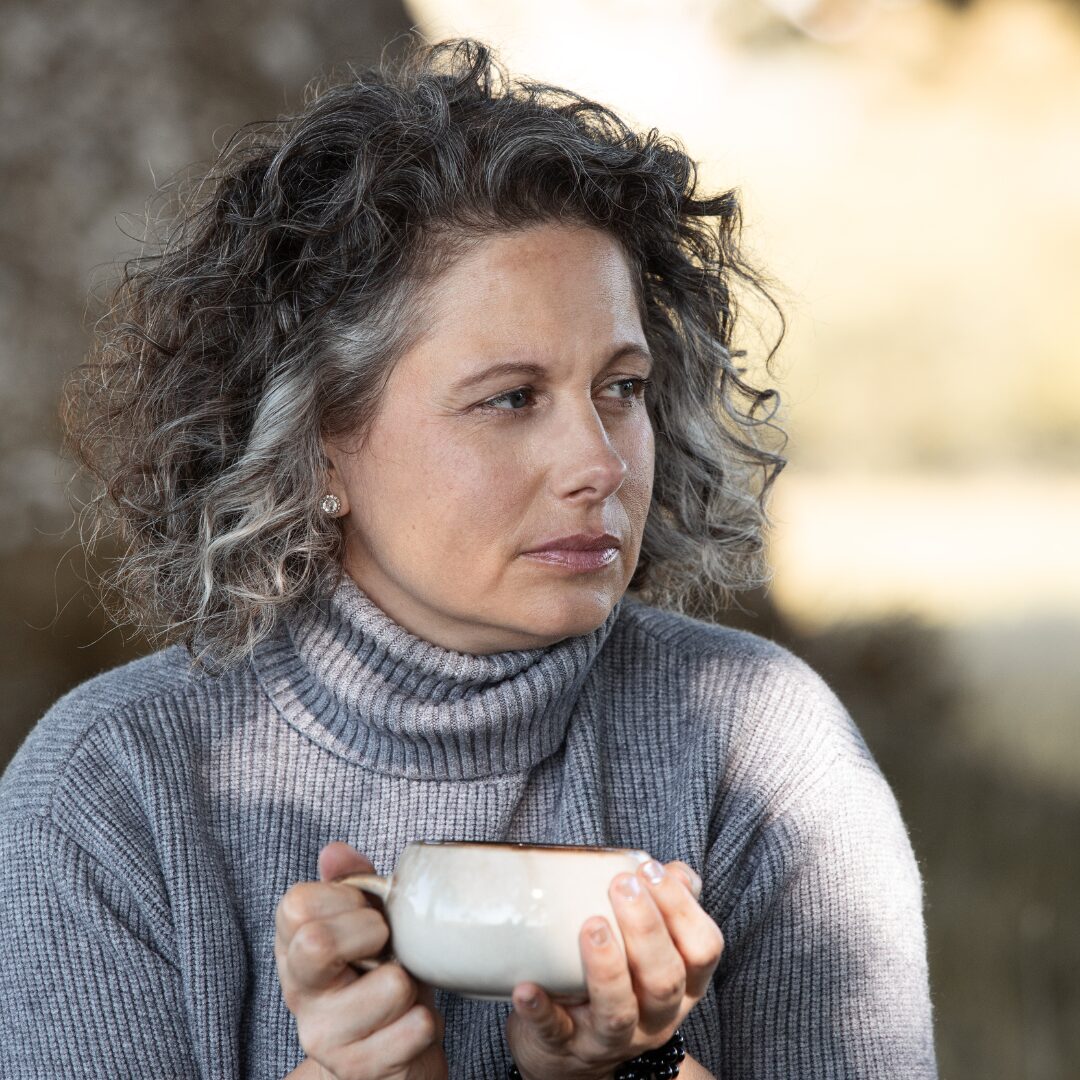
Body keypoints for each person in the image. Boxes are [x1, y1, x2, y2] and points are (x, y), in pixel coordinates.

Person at [0, 34, 938, 1080]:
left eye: (620, 387)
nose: (598, 463)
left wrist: (625, 1074)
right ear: (317, 440)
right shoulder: (110, 789)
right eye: (510, 398)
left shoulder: (764, 750)